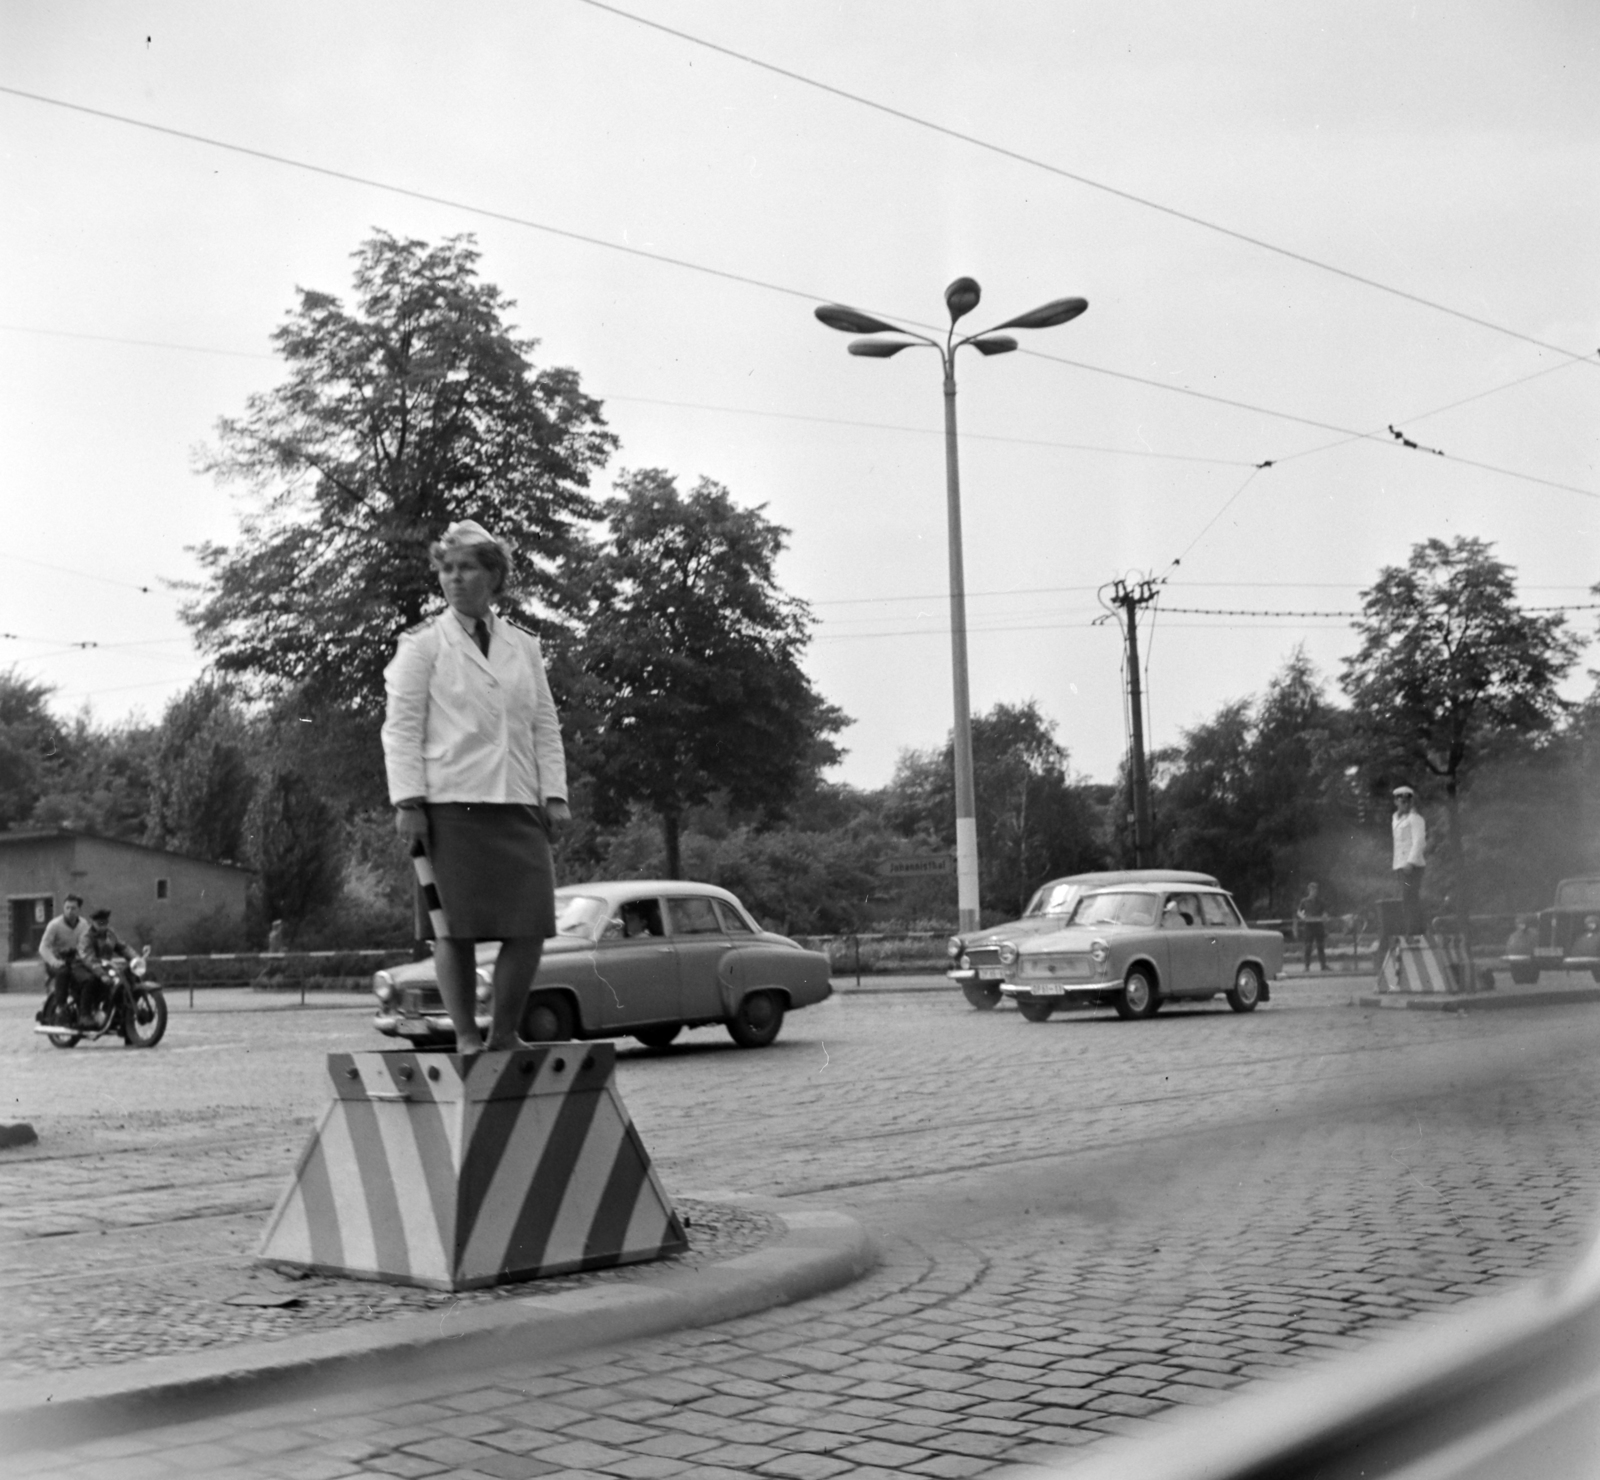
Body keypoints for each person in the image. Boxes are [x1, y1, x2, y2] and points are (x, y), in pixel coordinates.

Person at [381, 519, 571, 1053]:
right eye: (446, 569)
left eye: (467, 567)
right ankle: (465, 1037)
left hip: (516, 803)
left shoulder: (524, 647)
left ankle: (504, 1036)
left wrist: (553, 796)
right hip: (448, 806)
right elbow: (401, 728)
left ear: (494, 574)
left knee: (530, 925)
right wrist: (409, 801)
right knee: (454, 930)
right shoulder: (421, 646)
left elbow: (544, 725)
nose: (454, 578)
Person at [37, 894, 89, 1020]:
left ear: (79, 910)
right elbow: (43, 947)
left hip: (74, 960)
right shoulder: (54, 925)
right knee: (64, 972)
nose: (70, 911)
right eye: (67, 908)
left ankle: (85, 1011)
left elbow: (86, 944)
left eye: (73, 908)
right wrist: (54, 962)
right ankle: (61, 1006)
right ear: (63, 908)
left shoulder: (83, 924)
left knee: (89, 978)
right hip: (56, 961)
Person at [1391, 785, 1427, 937]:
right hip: (1401, 865)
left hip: (1412, 866)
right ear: (1396, 802)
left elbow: (1419, 841)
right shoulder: (1395, 819)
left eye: (1407, 801)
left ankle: (1414, 930)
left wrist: (1410, 862)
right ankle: (1412, 929)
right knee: (1407, 897)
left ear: (1410, 802)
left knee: (1409, 895)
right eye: (1401, 801)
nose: (1404, 804)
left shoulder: (1415, 818)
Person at [1297, 882, 1330, 971]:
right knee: (1308, 947)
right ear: (1309, 891)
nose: (1314, 892)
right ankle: (1306, 966)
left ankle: (1323, 966)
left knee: (1320, 946)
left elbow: (1325, 912)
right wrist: (1302, 916)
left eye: (1315, 890)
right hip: (1308, 927)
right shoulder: (1304, 901)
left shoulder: (1321, 902)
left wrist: (1325, 916)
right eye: (1312, 890)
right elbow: (1299, 911)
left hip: (1319, 926)